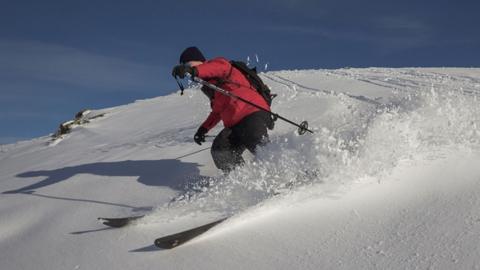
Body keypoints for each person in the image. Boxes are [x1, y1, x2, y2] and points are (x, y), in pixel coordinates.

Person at [172, 46, 273, 173]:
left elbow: (216, 68)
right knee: (220, 149)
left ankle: (286, 175)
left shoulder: (218, 64)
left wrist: (193, 70)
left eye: (188, 64)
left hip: (251, 113)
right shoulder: (210, 86)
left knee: (261, 148)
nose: (187, 70)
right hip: (235, 124)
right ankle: (241, 179)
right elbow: (217, 111)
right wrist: (203, 129)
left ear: (198, 61)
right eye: (185, 66)